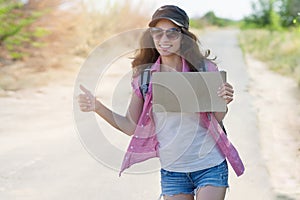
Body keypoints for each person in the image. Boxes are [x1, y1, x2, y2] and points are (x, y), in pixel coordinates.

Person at [78, 5, 242, 200]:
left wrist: (224, 101)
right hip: (173, 172)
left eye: (172, 33)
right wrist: (97, 107)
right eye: (158, 33)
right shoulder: (145, 78)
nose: (164, 40)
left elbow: (216, 118)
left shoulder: (204, 69)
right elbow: (131, 126)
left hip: (210, 165)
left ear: (184, 36)